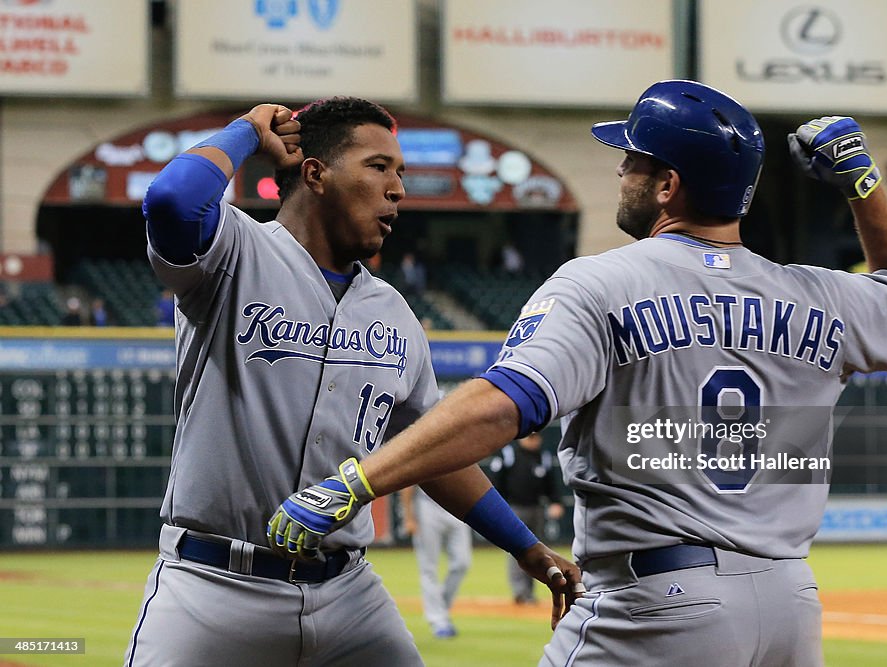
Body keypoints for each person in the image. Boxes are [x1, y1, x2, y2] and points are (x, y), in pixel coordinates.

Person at [267, 80, 887, 667]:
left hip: (659, 604)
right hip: (791, 606)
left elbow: (505, 403)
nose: (621, 170)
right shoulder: (817, 294)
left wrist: (359, 479)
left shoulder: (601, 282)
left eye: (633, 161)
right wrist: (861, 181)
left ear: (668, 185)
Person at [125, 98, 580, 667]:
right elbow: (171, 199)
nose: (398, 189)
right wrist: (247, 132)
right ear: (314, 173)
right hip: (216, 586)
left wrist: (528, 548)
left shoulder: (394, 314)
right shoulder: (235, 252)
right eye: (378, 166)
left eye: (401, 173)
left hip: (346, 593)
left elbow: (434, 452)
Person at [489, 432, 565, 604]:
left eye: (536, 437)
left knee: (536, 551)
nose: (533, 441)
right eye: (529, 437)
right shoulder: (509, 454)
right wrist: (500, 508)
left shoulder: (543, 456)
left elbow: (551, 483)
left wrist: (556, 502)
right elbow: (495, 482)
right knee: (517, 550)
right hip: (514, 509)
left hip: (537, 508)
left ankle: (529, 592)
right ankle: (519, 591)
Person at [399, 485, 472, 638]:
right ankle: (438, 621)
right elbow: (408, 484)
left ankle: (441, 609)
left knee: (462, 562)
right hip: (427, 506)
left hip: (456, 505)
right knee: (428, 567)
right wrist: (409, 516)